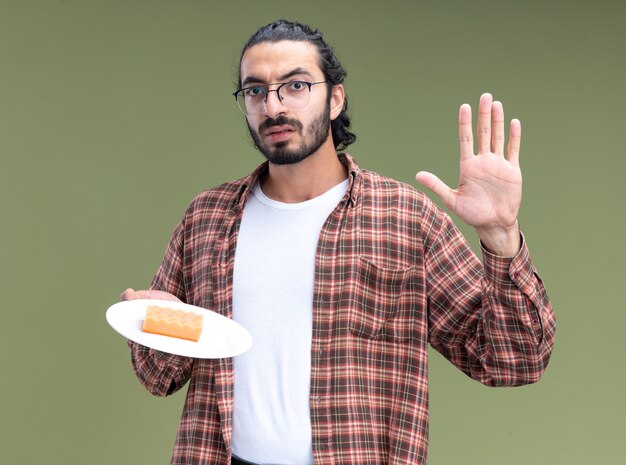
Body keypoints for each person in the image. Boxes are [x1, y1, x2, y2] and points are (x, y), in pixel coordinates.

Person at [121, 19, 556, 465]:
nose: (273, 107)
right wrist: (154, 324)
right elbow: (158, 378)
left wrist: (500, 234)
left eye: (295, 85)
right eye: (255, 91)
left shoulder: (404, 218)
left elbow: (514, 361)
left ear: (335, 98)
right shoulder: (206, 219)